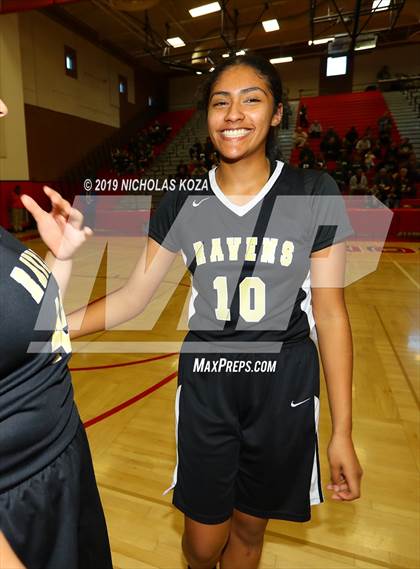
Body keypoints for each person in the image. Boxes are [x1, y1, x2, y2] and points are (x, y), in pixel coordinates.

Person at [43, 54, 364, 569]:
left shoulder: (313, 191)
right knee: (201, 542)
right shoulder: (182, 201)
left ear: (278, 113)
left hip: (285, 382)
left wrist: (342, 431)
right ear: (207, 117)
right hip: (209, 382)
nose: (234, 113)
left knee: (250, 530)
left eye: (251, 99)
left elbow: (331, 314)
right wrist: (47, 329)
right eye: (220, 102)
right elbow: (133, 298)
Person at [0, 97, 113, 569]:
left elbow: (30, 331)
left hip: (61, 470)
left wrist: (59, 261)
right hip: (16, 510)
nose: (4, 107)